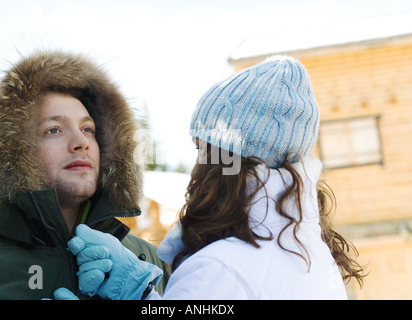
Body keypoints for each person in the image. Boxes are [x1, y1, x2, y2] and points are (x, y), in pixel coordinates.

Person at [63, 55, 365, 300]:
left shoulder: (221, 267)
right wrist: (138, 293)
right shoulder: (307, 253)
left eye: (203, 150)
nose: (197, 167)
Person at [0, 51, 168, 299]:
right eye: (54, 130)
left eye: (88, 128)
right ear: (13, 151)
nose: (81, 142)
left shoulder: (149, 267)